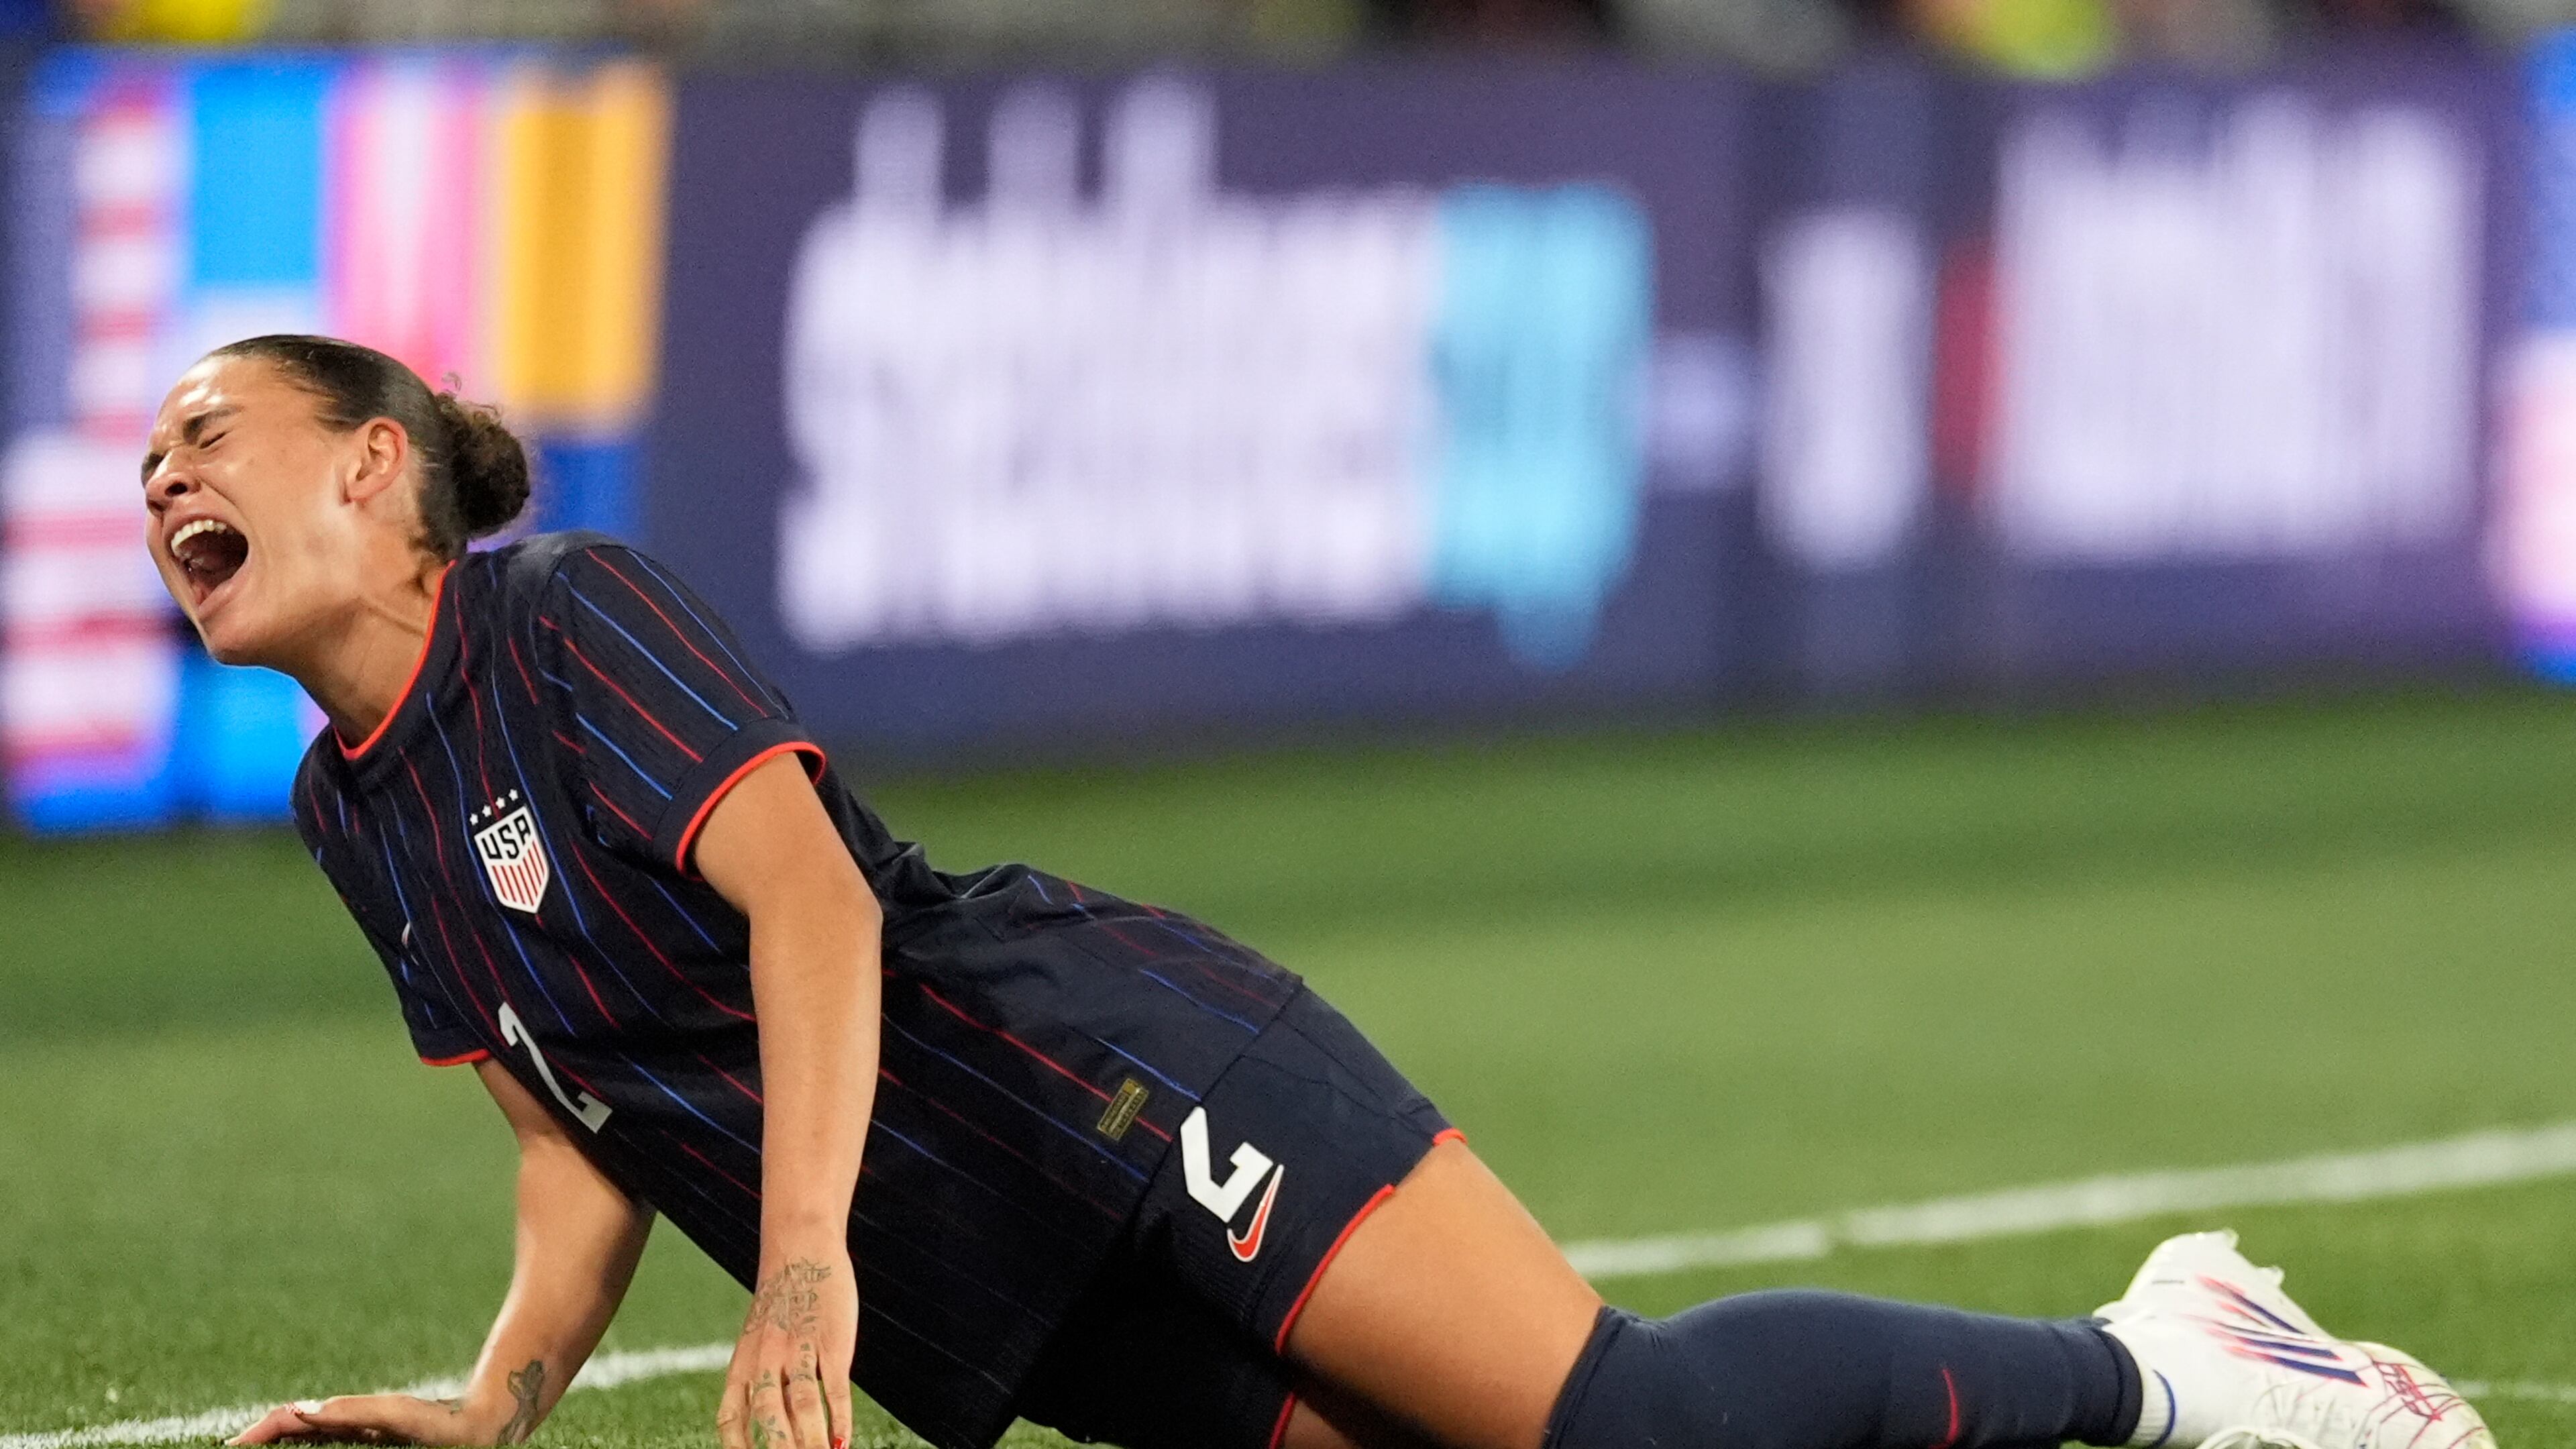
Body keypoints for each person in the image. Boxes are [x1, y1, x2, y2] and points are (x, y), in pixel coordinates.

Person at [144, 334, 2489, 1449]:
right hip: (998, 1276)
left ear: (375, 471)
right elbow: (581, 1131)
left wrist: (807, 1260)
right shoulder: (354, 810)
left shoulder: (565, 620)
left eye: (206, 435)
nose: (163, 481)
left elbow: (819, 914)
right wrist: (499, 1404)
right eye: (149, 460)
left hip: (1088, 1075)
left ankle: (2170, 1365)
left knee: (1618, 1432)